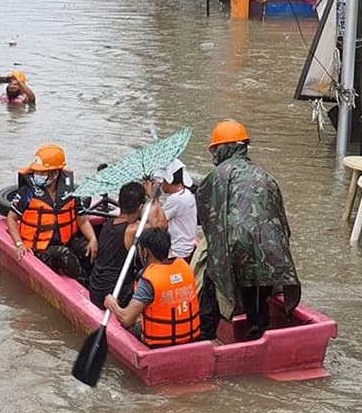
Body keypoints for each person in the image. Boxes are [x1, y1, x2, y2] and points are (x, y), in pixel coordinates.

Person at [195, 120, 301, 341]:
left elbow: (206, 216)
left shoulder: (218, 175)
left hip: (234, 244)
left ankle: (205, 336)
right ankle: (257, 326)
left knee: (211, 278)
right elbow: (282, 223)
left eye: (215, 149)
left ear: (223, 148)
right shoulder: (266, 175)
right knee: (257, 286)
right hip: (271, 249)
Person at [6, 144, 98, 284]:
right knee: (64, 255)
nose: (38, 175)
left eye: (42, 172)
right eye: (37, 172)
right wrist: (19, 244)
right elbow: (11, 219)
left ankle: (98, 281)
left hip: (66, 241)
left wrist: (92, 239)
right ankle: (87, 286)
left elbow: (82, 220)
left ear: (55, 174)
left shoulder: (70, 192)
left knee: (89, 249)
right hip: (40, 248)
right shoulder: (27, 192)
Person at [104, 228, 200, 348]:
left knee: (129, 320)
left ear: (144, 252)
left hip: (159, 344)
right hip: (190, 337)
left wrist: (112, 304)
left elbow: (126, 318)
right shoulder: (185, 268)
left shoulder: (148, 280)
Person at [87, 181, 166, 309]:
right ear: (141, 208)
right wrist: (153, 198)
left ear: (119, 202)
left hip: (96, 290)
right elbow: (162, 226)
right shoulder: (131, 230)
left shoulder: (109, 224)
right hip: (115, 294)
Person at [152, 159, 197, 263]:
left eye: (162, 181)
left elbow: (158, 222)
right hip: (187, 247)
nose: (161, 185)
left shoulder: (176, 199)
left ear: (168, 181)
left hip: (177, 251)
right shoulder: (187, 193)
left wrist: (153, 196)